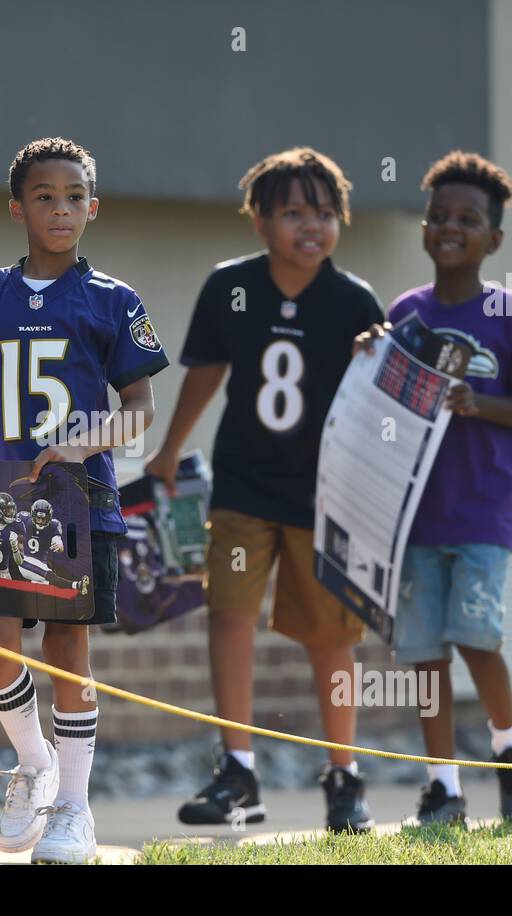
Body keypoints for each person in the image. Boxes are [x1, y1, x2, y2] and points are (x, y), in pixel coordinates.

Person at [0, 137, 169, 862]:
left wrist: (86, 440)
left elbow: (140, 405)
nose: (61, 209)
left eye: (75, 196)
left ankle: (74, 810)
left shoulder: (114, 300)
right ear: (17, 206)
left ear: (94, 206)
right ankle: (34, 763)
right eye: (45, 196)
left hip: (78, 499)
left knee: (67, 646)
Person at [146, 147, 383, 833]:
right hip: (243, 485)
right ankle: (239, 770)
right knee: (230, 614)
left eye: (324, 212)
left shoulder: (355, 300)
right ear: (259, 220)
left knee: (331, 636)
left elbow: (379, 402)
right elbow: (206, 371)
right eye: (292, 212)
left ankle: (345, 775)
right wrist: (167, 451)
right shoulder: (230, 288)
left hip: (325, 494)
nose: (311, 226)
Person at [356, 150, 512, 825]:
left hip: (482, 511)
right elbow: (382, 402)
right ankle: (443, 786)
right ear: (424, 228)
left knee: (475, 635)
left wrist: (477, 402)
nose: (450, 226)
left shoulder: (511, 313)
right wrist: (368, 355)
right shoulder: (405, 314)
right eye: (439, 215)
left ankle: (510, 746)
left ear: (493, 238)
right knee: (421, 651)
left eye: (467, 218)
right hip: (414, 514)